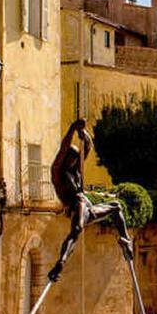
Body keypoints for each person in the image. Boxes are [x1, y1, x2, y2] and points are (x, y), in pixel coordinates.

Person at [48, 119, 129, 282]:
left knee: (116, 206)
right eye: (71, 157)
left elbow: (88, 147)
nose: (74, 161)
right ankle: (61, 262)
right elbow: (64, 147)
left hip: (88, 208)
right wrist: (72, 128)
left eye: (75, 158)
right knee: (76, 230)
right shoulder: (58, 171)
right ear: (64, 158)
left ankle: (126, 240)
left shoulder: (75, 168)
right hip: (76, 206)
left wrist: (84, 135)